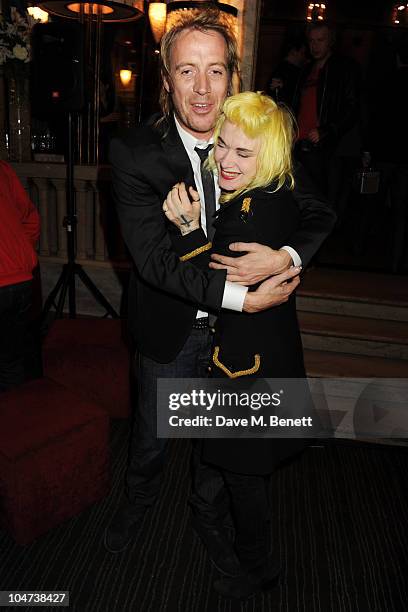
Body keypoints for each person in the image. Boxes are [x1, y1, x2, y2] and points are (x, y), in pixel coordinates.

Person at [105, 9, 336, 570]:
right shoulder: (134, 153)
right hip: (174, 326)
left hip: (242, 337)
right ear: (166, 80)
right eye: (187, 71)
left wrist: (283, 255)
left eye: (215, 70)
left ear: (234, 75)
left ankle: (206, 516)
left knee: (220, 438)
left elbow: (314, 210)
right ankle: (136, 509)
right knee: (155, 436)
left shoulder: (255, 134)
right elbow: (157, 264)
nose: (203, 89)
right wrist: (242, 295)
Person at [163, 91, 333, 599]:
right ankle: (217, 523)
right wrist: (289, 256)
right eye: (223, 147)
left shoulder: (250, 211)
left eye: (243, 152)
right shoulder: (273, 191)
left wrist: (189, 229)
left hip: (246, 363)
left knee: (245, 478)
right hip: (260, 353)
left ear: (270, 157)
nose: (227, 161)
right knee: (234, 466)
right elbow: (317, 212)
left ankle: (258, 568)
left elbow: (208, 281)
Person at [291, 21, 361, 198]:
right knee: (303, 200)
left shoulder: (344, 68)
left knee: (326, 201)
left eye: (320, 40)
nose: (314, 46)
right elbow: (298, 104)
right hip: (301, 145)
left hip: (328, 149)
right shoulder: (306, 69)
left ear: (331, 41)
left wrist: (327, 130)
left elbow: (352, 107)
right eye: (311, 41)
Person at [0, 161, 40, 392]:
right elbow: (31, 218)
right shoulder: (3, 167)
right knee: (11, 362)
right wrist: (18, 254)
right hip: (21, 282)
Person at [268, 36, 308, 107]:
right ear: (293, 51)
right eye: (302, 53)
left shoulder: (281, 69)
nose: (304, 57)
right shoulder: (286, 72)